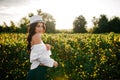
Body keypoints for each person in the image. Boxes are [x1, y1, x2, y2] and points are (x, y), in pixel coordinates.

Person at [27, 15, 58, 80]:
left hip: (36, 70)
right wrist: (53, 62)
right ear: (33, 27)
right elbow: (41, 58)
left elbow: (36, 51)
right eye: (38, 26)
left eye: (42, 26)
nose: (41, 28)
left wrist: (45, 46)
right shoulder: (37, 36)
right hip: (38, 71)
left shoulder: (33, 36)